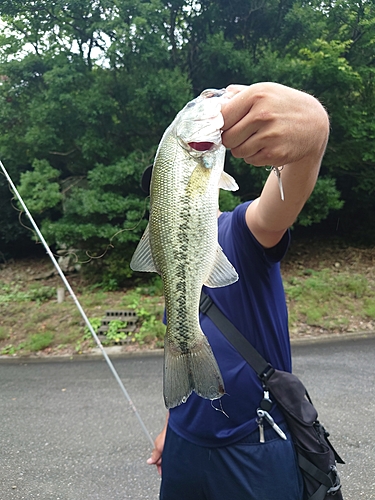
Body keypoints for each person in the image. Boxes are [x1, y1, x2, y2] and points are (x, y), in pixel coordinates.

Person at [147, 82, 330, 500]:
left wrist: (312, 135)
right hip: (184, 443)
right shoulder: (176, 262)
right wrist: (170, 427)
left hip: (257, 441)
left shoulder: (246, 231)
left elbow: (282, 203)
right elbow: (185, 356)